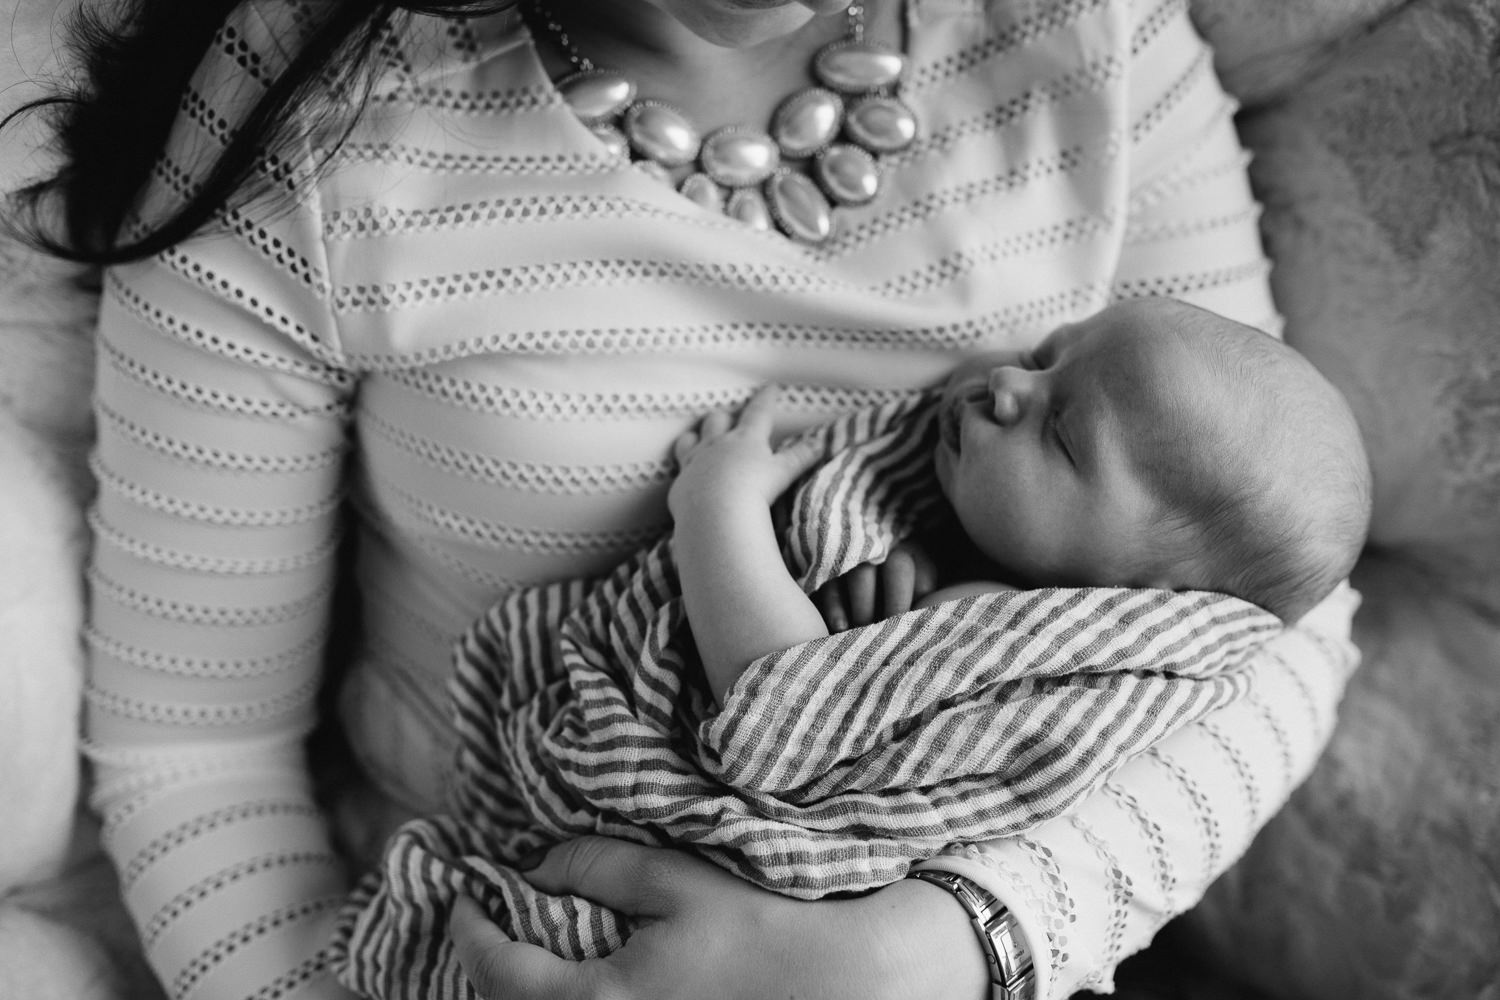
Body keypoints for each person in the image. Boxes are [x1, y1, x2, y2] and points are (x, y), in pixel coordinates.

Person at [4, 0, 1370, 997]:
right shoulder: (306, 116)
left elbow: (1264, 617)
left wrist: (938, 950)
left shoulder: (1092, 35)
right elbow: (198, 749)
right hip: (479, 921)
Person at [330, 296, 1370, 1000]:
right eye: (1049, 355)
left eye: (1058, 433)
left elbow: (783, 717)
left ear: (1142, 598)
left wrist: (719, 510)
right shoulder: (977, 573)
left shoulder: (1039, 659)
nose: (1007, 384)